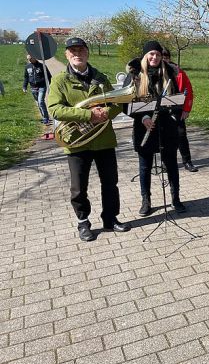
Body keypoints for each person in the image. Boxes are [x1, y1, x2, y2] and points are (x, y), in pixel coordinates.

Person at [47, 38, 130, 241]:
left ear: (87, 53)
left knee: (110, 183)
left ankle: (110, 218)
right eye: (73, 51)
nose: (77, 54)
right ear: (67, 55)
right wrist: (88, 115)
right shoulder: (59, 80)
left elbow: (117, 102)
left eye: (81, 50)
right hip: (77, 141)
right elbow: (54, 109)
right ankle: (83, 222)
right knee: (78, 187)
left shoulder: (100, 77)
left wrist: (106, 113)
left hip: (103, 139)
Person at [125, 41, 187, 216]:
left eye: (158, 54)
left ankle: (175, 198)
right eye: (151, 54)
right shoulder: (135, 75)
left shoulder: (169, 73)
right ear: (145, 56)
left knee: (171, 164)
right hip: (144, 126)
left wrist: (174, 112)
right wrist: (143, 117)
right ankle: (146, 201)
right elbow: (125, 103)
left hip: (166, 126)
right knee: (145, 167)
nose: (155, 57)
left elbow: (177, 99)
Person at [161, 48, 198, 173]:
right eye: (162, 58)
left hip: (177, 109)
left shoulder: (179, 72)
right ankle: (166, 163)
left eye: (166, 58)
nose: (164, 60)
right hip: (162, 111)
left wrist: (186, 109)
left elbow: (189, 92)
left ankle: (187, 161)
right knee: (164, 138)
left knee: (181, 136)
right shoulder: (155, 73)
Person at [23, 54, 53, 124]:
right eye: (28, 59)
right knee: (38, 103)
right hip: (33, 87)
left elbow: (49, 76)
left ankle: (46, 118)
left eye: (31, 59)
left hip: (42, 86)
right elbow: (26, 78)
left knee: (40, 101)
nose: (30, 60)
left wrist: (51, 85)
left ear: (35, 58)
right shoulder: (27, 67)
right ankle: (44, 117)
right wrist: (24, 87)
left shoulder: (42, 66)